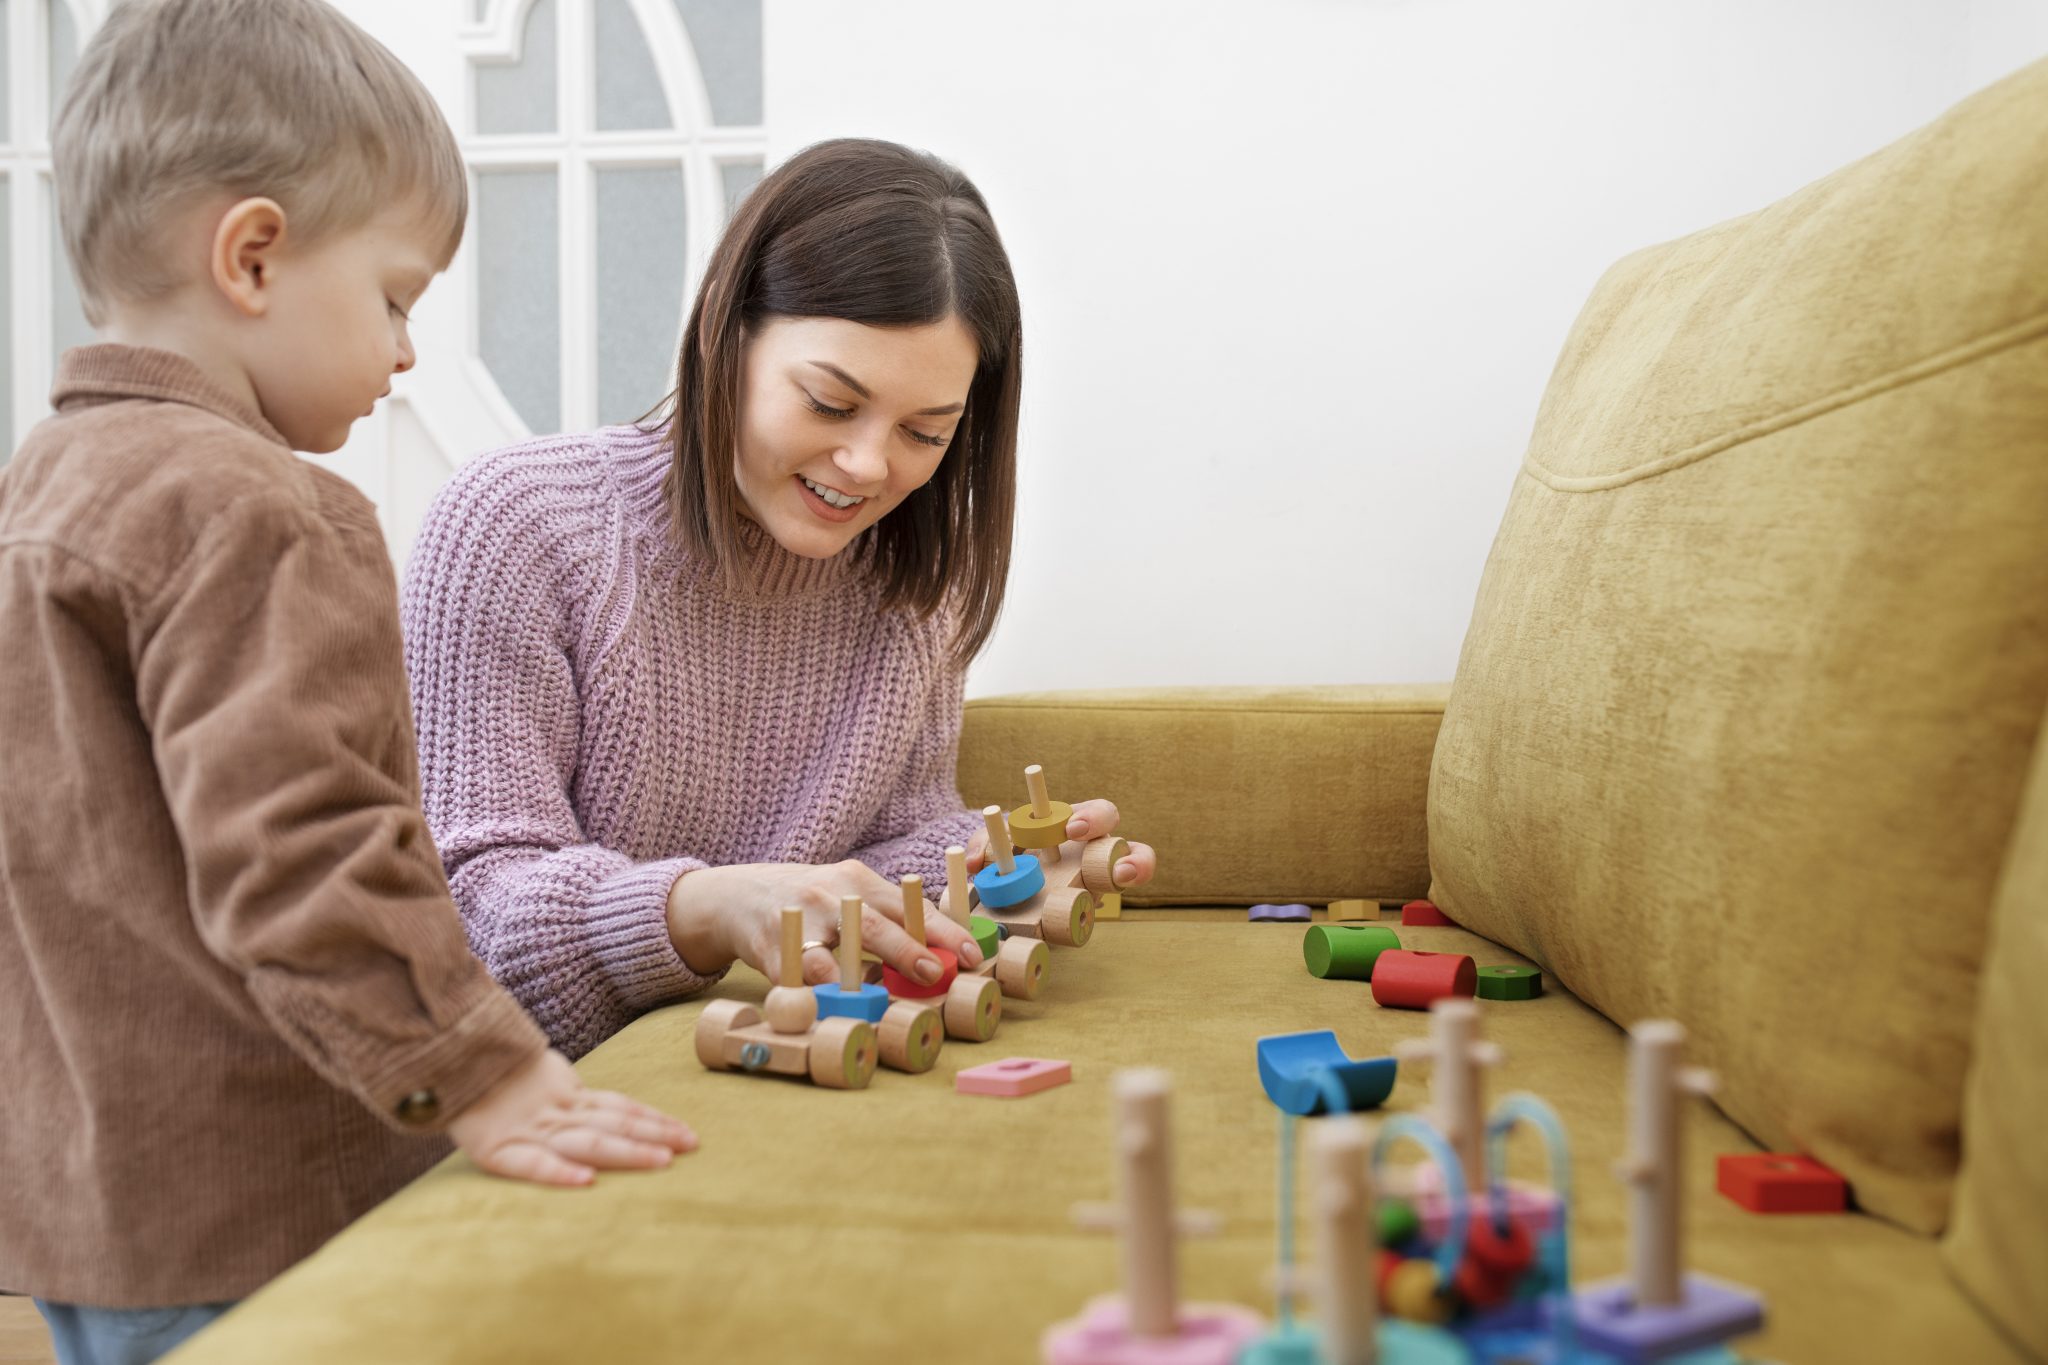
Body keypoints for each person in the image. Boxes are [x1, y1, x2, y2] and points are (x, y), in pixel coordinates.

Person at [0, 3, 692, 1360]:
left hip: (83, 1193)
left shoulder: (39, 491)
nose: (408, 351)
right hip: (258, 1192)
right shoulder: (260, 510)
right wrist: (481, 1072)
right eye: (393, 299)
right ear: (253, 256)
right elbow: (306, 843)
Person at [402, 137, 1157, 1058]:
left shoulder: (916, 584)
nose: (869, 466)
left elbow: (878, 855)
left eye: (925, 434)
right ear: (727, 335)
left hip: (788, 1056)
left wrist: (994, 862)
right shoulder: (518, 526)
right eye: (831, 405)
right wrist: (705, 907)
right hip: (526, 1092)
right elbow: (468, 912)